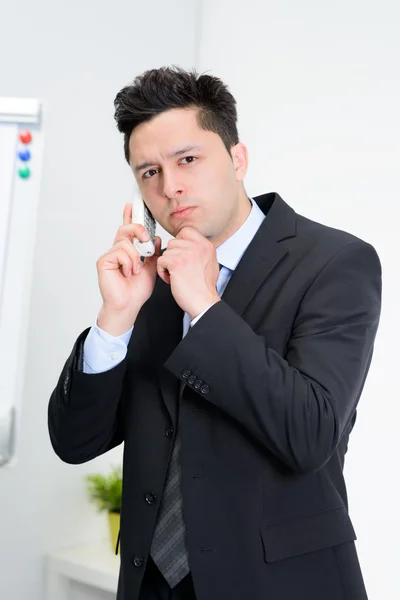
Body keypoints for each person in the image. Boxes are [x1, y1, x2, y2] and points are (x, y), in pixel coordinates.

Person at [48, 66, 382, 600]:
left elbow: (310, 434)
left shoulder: (336, 263)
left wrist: (205, 306)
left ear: (237, 158)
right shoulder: (147, 279)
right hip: (152, 584)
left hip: (281, 584)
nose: (169, 186)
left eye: (187, 160)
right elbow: (74, 441)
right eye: (148, 172)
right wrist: (114, 319)